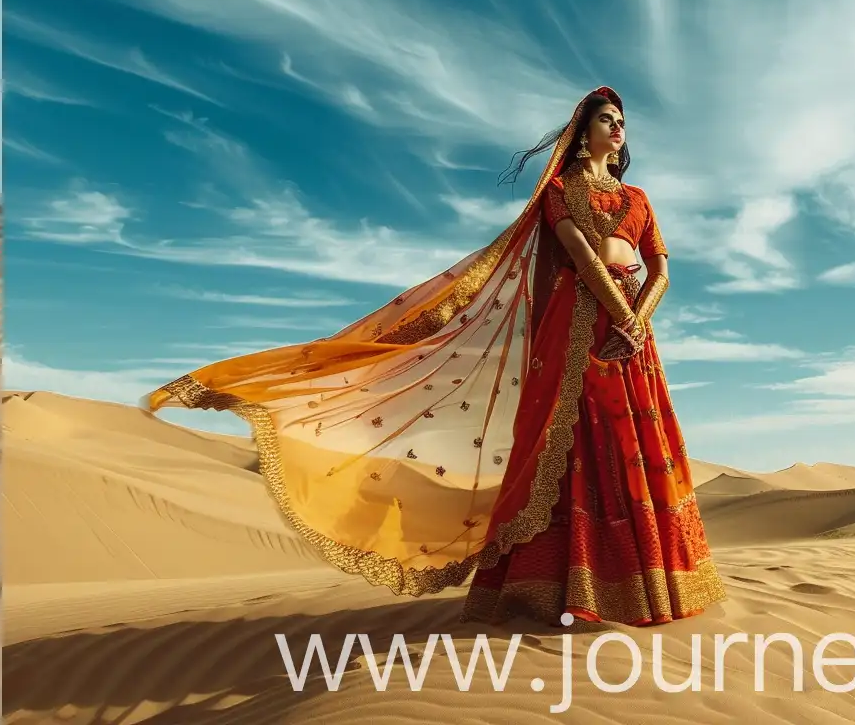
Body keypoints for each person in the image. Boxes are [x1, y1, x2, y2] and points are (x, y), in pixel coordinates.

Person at [147, 86, 723, 627]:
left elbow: (661, 268)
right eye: (606, 120)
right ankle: (567, 588)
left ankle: (647, 583)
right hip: (581, 321)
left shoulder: (640, 199)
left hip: (632, 333)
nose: (617, 129)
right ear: (582, 131)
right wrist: (622, 317)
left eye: (622, 123)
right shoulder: (559, 190)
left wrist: (638, 321)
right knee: (573, 442)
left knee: (632, 442)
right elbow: (578, 252)